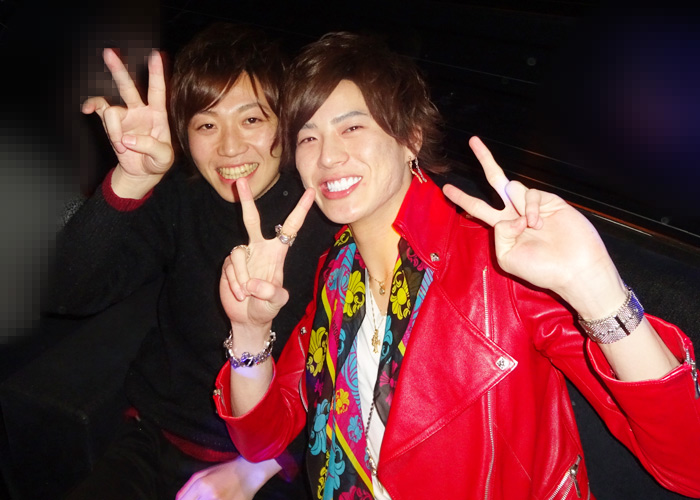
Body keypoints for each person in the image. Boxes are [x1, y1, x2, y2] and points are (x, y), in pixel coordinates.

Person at [213, 31, 700, 499]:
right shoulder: (337, 272)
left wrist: (597, 287)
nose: (328, 156)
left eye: (352, 127)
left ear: (410, 138)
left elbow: (688, 462)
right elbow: (263, 439)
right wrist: (250, 332)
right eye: (308, 137)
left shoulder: (497, 262)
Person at [50, 23, 337, 499]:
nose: (229, 147)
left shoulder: (328, 218)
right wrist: (131, 180)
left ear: (286, 125)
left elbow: (346, 386)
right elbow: (65, 293)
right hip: (153, 439)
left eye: (251, 119)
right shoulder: (183, 198)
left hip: (272, 465)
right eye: (207, 125)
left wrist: (258, 467)